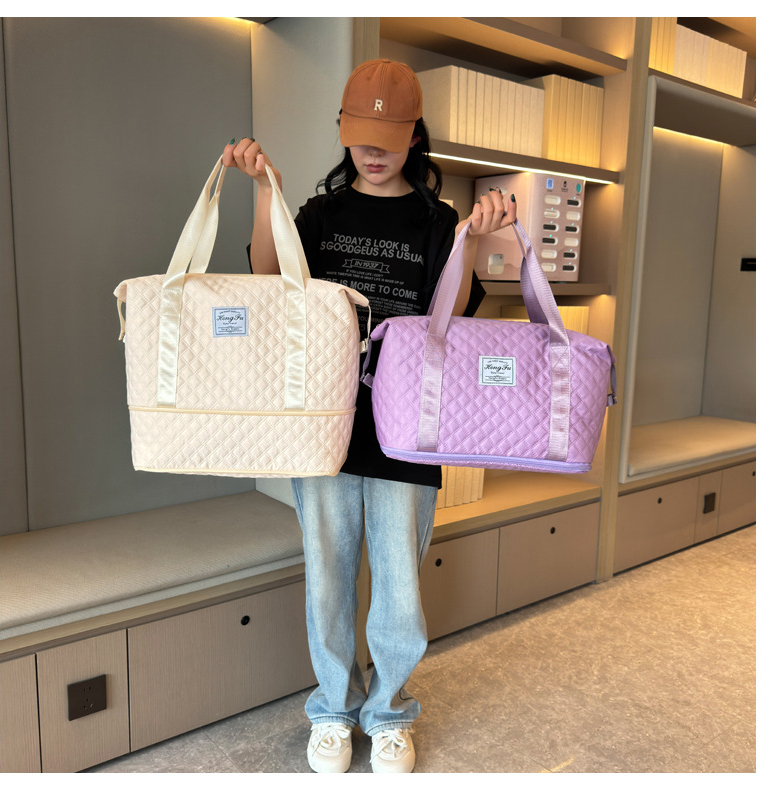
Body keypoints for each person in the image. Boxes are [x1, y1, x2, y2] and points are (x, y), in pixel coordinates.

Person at [223, 59, 516, 774]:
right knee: (327, 578)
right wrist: (266, 192)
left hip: (407, 428)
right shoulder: (320, 216)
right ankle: (332, 708)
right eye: (360, 136)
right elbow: (270, 282)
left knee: (398, 589)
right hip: (325, 424)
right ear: (343, 131)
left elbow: (450, 318)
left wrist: (473, 241)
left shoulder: (436, 221)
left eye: (388, 138)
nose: (373, 151)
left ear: (414, 136)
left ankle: (387, 712)